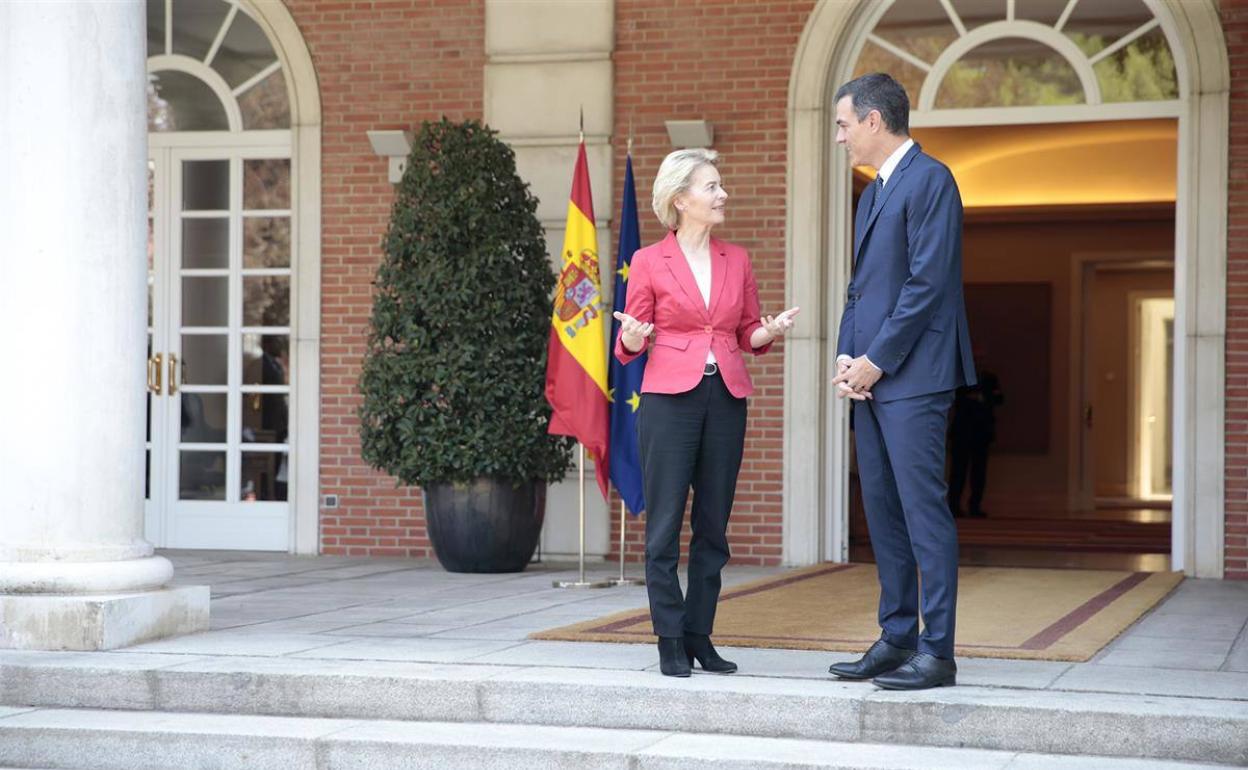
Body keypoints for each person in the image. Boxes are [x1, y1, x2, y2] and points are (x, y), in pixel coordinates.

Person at [614, 148, 798, 678]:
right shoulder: (650, 261)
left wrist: (771, 330)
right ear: (681, 199)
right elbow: (631, 339)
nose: (722, 195)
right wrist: (631, 335)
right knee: (665, 525)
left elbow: (746, 333)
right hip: (668, 399)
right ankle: (669, 637)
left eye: (720, 186)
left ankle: (700, 635)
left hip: (725, 399)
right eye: (711, 187)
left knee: (713, 528)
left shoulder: (735, 259)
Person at [829, 73, 976, 691]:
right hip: (871, 377)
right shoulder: (871, 195)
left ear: (872, 120)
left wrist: (876, 359)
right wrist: (846, 357)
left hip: (914, 377)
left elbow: (926, 285)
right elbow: (862, 288)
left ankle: (937, 651)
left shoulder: (932, 180)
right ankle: (896, 638)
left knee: (922, 512)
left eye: (842, 125)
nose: (839, 138)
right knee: (883, 510)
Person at [948, 365, 1003, 518]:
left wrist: (980, 397)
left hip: (982, 432)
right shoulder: (958, 378)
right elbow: (956, 398)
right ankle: (954, 505)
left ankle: (975, 506)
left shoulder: (989, 378)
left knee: (979, 472)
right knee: (958, 471)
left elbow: (999, 398)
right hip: (962, 432)